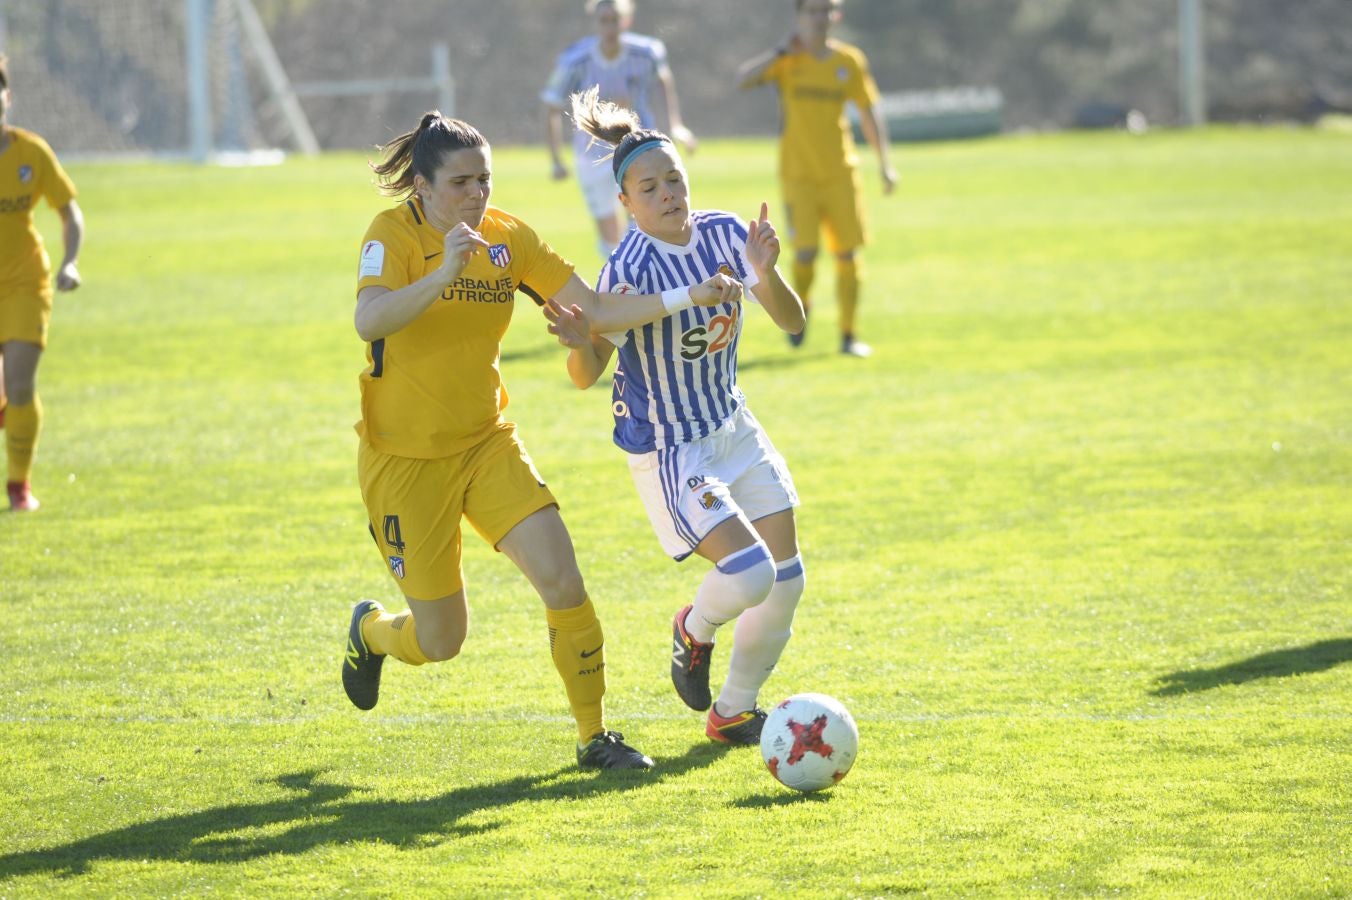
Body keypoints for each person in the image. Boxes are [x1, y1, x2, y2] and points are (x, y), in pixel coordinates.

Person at [342, 110, 741, 771]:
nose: (478, 195)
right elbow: (368, 318)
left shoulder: (510, 240)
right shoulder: (391, 235)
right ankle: (372, 633)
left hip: (485, 442)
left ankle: (594, 738)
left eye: (486, 180)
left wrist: (686, 295)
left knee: (563, 579)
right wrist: (440, 276)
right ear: (422, 187)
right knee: (442, 640)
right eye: (461, 183)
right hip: (404, 461)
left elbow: (598, 309)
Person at [543, 87, 808, 747]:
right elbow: (585, 375)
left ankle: (734, 711)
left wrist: (766, 273)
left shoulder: (724, 233)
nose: (668, 194)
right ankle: (692, 628)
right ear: (624, 204)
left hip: (732, 426)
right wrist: (581, 344)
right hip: (671, 448)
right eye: (649, 187)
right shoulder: (627, 271)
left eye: (674, 180)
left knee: (788, 580)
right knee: (749, 574)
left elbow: (794, 323)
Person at [737, 0, 897, 358]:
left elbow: (869, 111)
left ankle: (848, 335)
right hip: (799, 177)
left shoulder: (849, 62)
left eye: (826, 10)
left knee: (848, 253)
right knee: (805, 254)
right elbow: (743, 79)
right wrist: (780, 50)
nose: (819, 17)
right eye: (812, 11)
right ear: (799, 17)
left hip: (842, 172)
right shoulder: (788, 60)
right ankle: (803, 303)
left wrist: (885, 162)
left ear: (835, 16)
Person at [541, 0, 697, 260]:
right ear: (595, 23)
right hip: (593, 156)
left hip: (640, 152)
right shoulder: (575, 60)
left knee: (646, 224)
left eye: (615, 19)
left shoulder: (647, 53)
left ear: (626, 21)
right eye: (604, 20)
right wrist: (556, 158)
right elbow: (551, 105)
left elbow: (663, 82)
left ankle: (653, 282)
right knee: (611, 238)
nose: (610, 27)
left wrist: (675, 125)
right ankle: (622, 285)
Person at [0, 53, 84, 511]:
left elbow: (69, 211)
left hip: (25, 284)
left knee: (21, 385)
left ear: (7, 98)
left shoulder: (31, 153)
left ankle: (19, 487)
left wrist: (70, 262)